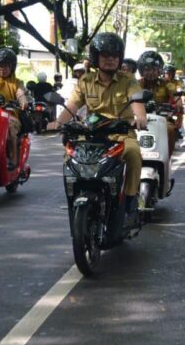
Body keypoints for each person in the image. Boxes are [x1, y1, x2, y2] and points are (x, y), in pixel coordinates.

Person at [47, 32, 147, 215]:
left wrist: (140, 118)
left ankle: (130, 198)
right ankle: (75, 194)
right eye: (105, 55)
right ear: (96, 57)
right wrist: (58, 122)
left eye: (114, 55)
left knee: (133, 153)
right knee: (69, 156)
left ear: (120, 58)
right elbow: (73, 105)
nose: (110, 59)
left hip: (120, 133)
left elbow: (137, 101)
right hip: (91, 134)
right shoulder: (86, 81)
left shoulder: (128, 80)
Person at [137, 50, 181, 156]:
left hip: (161, 119)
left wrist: (178, 105)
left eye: (154, 69)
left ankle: (166, 159)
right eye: (147, 69)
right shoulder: (136, 84)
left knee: (170, 130)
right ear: (141, 70)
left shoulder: (167, 84)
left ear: (160, 70)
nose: (151, 72)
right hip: (139, 118)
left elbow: (176, 96)